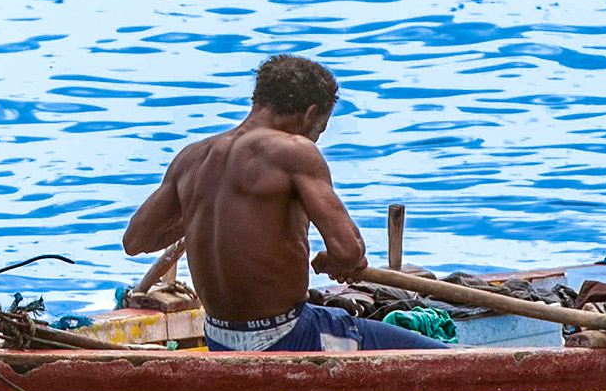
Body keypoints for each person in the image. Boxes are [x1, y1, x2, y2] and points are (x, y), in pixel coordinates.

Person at [122, 54, 449, 353]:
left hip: (218, 337)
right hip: (288, 334)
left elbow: (136, 241)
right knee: (442, 358)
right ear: (310, 114)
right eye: (319, 129)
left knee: (334, 314)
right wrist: (335, 261)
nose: (316, 138)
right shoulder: (294, 151)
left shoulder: (192, 158)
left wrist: (198, 212)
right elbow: (350, 252)